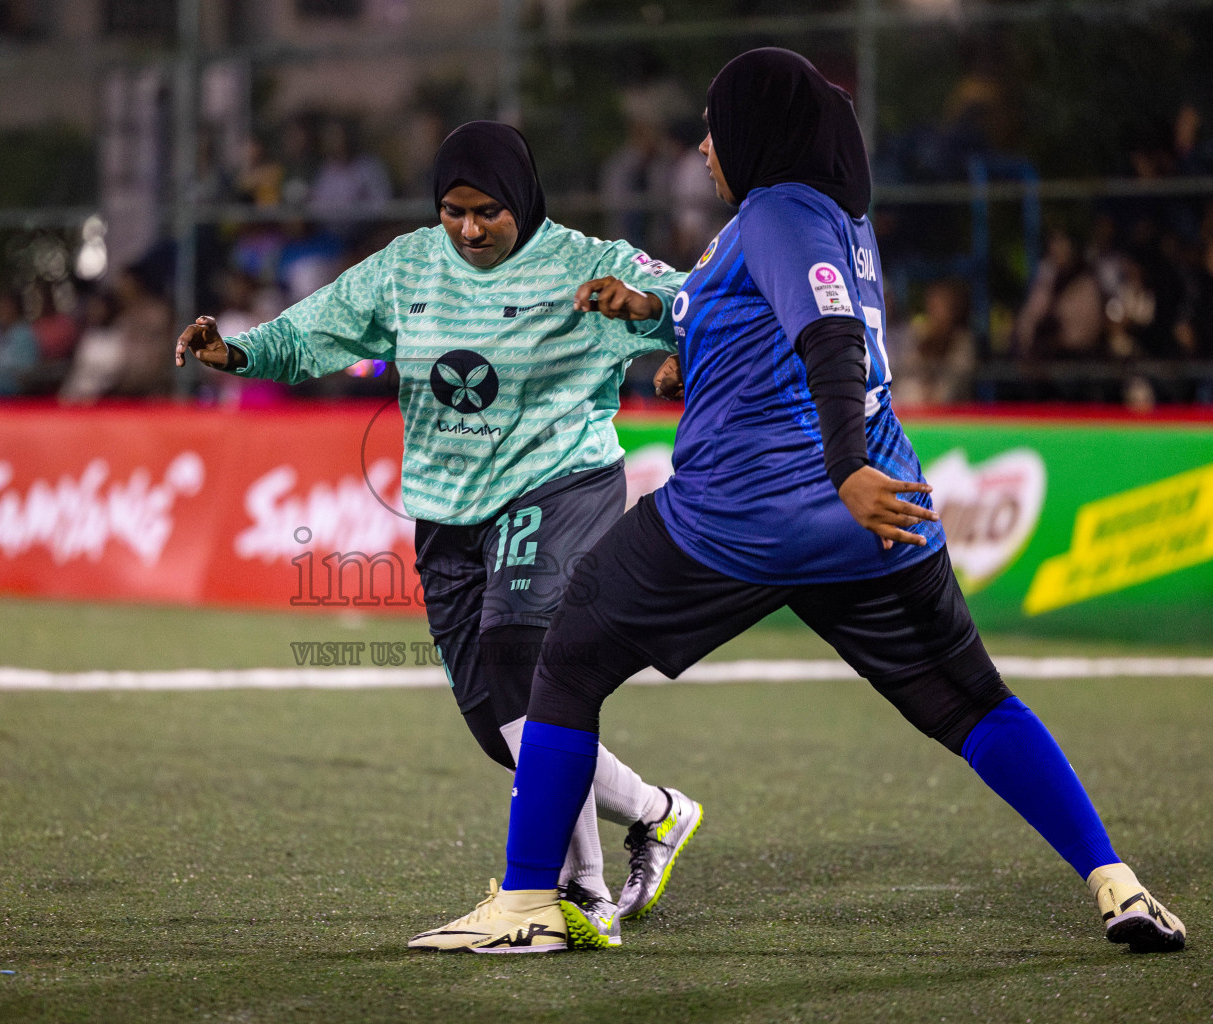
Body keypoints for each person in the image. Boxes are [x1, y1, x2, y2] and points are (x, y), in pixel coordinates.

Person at [418, 49, 1187, 955]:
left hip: (745, 518)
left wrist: (846, 463)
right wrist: (672, 338)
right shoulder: (835, 220)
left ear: (761, 132)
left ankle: (530, 907)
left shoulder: (777, 210)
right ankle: (1118, 884)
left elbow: (829, 339)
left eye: (718, 125)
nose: (706, 146)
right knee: (975, 703)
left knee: (565, 662)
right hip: (872, 529)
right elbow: (780, 329)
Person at [177, 121, 704, 949]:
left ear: (522, 200)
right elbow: (315, 329)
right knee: (500, 727)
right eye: (454, 210)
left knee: (520, 659)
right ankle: (656, 814)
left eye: (487, 210)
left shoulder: (586, 263)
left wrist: (662, 324)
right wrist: (237, 353)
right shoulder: (406, 266)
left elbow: (699, 303)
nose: (468, 228)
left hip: (559, 482)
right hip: (448, 510)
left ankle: (575, 896)